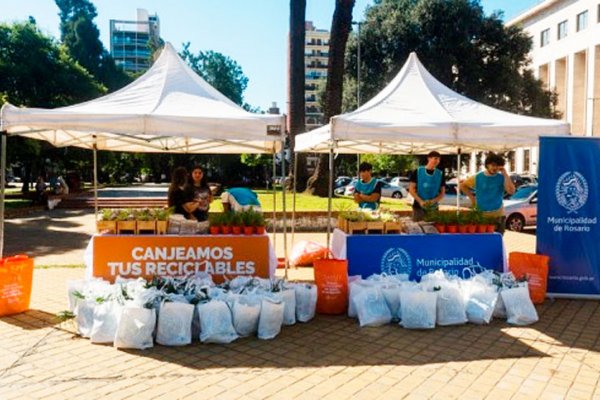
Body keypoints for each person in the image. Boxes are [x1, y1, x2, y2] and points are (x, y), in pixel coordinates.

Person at [459, 153, 516, 234]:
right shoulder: (478, 177)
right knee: (482, 240)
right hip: (481, 214)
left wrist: (505, 174)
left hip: (498, 214)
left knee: (497, 239)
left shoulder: (502, 177)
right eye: (493, 165)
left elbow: (511, 191)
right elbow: (462, 185)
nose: (495, 168)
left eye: (497, 166)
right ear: (487, 165)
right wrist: (472, 198)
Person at [408, 151, 446, 221]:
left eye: (438, 159)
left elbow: (442, 193)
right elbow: (411, 189)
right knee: (418, 228)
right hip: (418, 207)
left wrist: (433, 201)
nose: (437, 161)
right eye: (435, 158)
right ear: (429, 158)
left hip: (433, 208)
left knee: (433, 229)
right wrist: (420, 201)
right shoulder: (418, 171)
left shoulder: (440, 174)